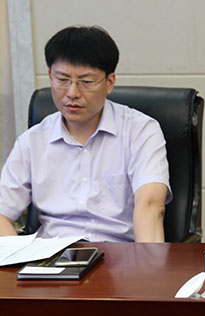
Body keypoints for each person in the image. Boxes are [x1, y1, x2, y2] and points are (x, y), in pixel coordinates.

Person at [0, 26, 171, 242]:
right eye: (62, 79)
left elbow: (151, 206)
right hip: (52, 257)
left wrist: (147, 261)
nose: (72, 93)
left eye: (86, 82)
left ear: (109, 83)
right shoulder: (32, 141)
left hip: (120, 255)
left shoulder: (141, 131)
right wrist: (20, 257)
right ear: (50, 76)